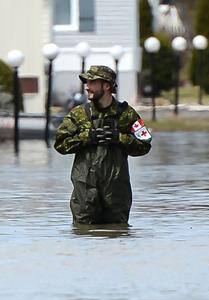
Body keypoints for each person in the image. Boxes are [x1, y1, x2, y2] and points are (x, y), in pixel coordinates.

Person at [54, 65, 152, 225]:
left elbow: (145, 145)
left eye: (92, 82)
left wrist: (119, 138)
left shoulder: (127, 114)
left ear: (106, 86)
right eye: (86, 83)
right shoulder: (79, 114)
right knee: (84, 234)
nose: (87, 87)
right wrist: (87, 137)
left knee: (118, 232)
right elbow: (60, 144)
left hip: (116, 192)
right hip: (85, 190)